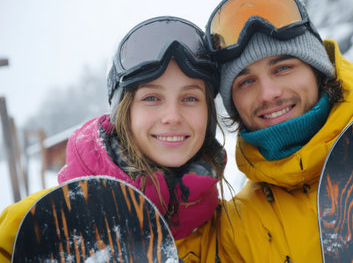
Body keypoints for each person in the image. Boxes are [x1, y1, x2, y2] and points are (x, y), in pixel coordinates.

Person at [176, 0, 353, 262]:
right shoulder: (236, 230)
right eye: (246, 81)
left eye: (283, 68)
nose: (269, 94)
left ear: (317, 71)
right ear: (234, 105)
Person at [0, 16, 226, 262]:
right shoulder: (33, 224)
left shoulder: (229, 231)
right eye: (151, 98)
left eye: (190, 98)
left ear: (209, 116)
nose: (172, 116)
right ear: (124, 112)